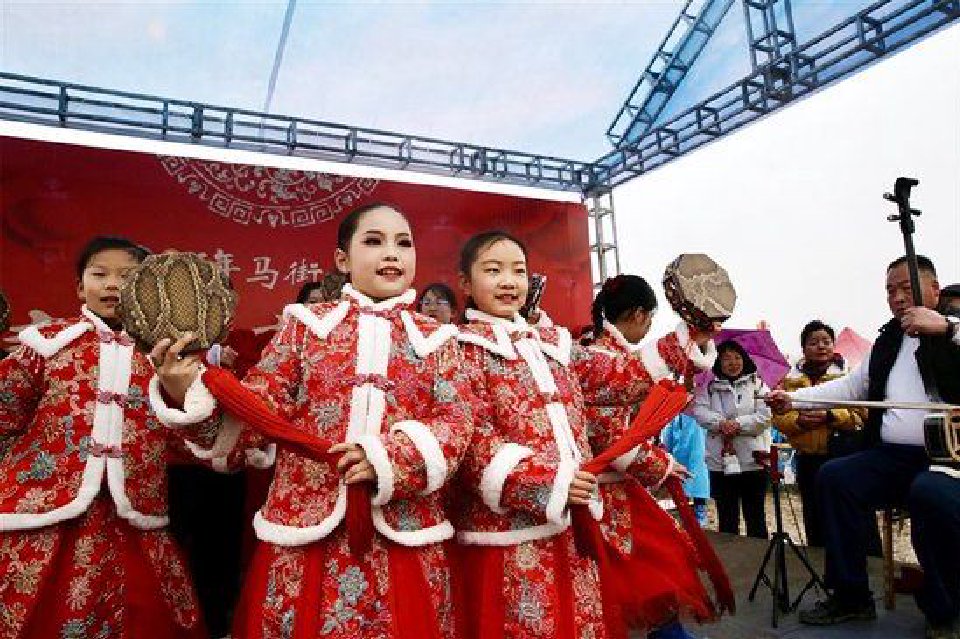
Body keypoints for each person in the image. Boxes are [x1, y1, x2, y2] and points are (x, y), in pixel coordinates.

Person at [151, 203, 474, 639]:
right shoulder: (304, 326)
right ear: (342, 260)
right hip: (307, 525)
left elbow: (455, 421)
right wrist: (183, 391)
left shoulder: (438, 339)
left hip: (402, 528)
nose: (392, 254)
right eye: (373, 242)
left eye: (404, 243)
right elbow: (261, 404)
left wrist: (386, 458)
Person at [0, 236, 214, 638]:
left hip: (133, 512)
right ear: (80, 287)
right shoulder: (46, 345)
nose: (112, 284)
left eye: (128, 276)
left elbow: (190, 435)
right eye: (100, 274)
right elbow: (5, 411)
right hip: (42, 510)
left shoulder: (167, 358)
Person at [766, 255, 960, 637]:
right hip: (894, 457)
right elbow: (851, 386)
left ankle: (943, 607)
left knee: (928, 492)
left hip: (948, 459)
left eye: (908, 288)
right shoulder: (888, 340)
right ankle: (851, 595)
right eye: (891, 290)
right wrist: (795, 400)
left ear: (934, 290)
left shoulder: (952, 326)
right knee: (835, 476)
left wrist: (947, 326)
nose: (899, 298)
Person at [575, 274, 718, 638]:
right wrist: (662, 463)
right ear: (639, 314)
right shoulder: (599, 359)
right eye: (650, 318)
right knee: (652, 578)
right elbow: (609, 438)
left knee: (651, 583)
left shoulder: (599, 351)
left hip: (614, 489)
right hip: (602, 496)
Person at [772, 320, 867, 547]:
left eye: (826, 341)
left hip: (842, 455)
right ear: (804, 348)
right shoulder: (790, 381)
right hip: (808, 459)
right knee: (814, 515)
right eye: (813, 342)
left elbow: (862, 415)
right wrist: (799, 421)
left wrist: (831, 416)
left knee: (845, 515)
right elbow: (778, 417)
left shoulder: (848, 377)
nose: (821, 346)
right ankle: (818, 564)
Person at [692, 340, 772, 539]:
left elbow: (765, 416)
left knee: (756, 516)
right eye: (726, 358)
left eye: (737, 357)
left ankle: (759, 559)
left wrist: (738, 424)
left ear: (745, 359)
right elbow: (699, 411)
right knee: (727, 516)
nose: (733, 362)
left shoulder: (758, 384)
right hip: (720, 463)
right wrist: (720, 423)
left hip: (754, 462)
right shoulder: (708, 386)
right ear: (718, 361)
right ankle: (731, 563)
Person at [662, 413, 710, 527]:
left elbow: (667, 438)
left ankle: (695, 513)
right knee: (692, 482)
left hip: (694, 453)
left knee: (694, 482)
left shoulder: (696, 413)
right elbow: (668, 436)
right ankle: (696, 513)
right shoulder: (678, 416)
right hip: (687, 454)